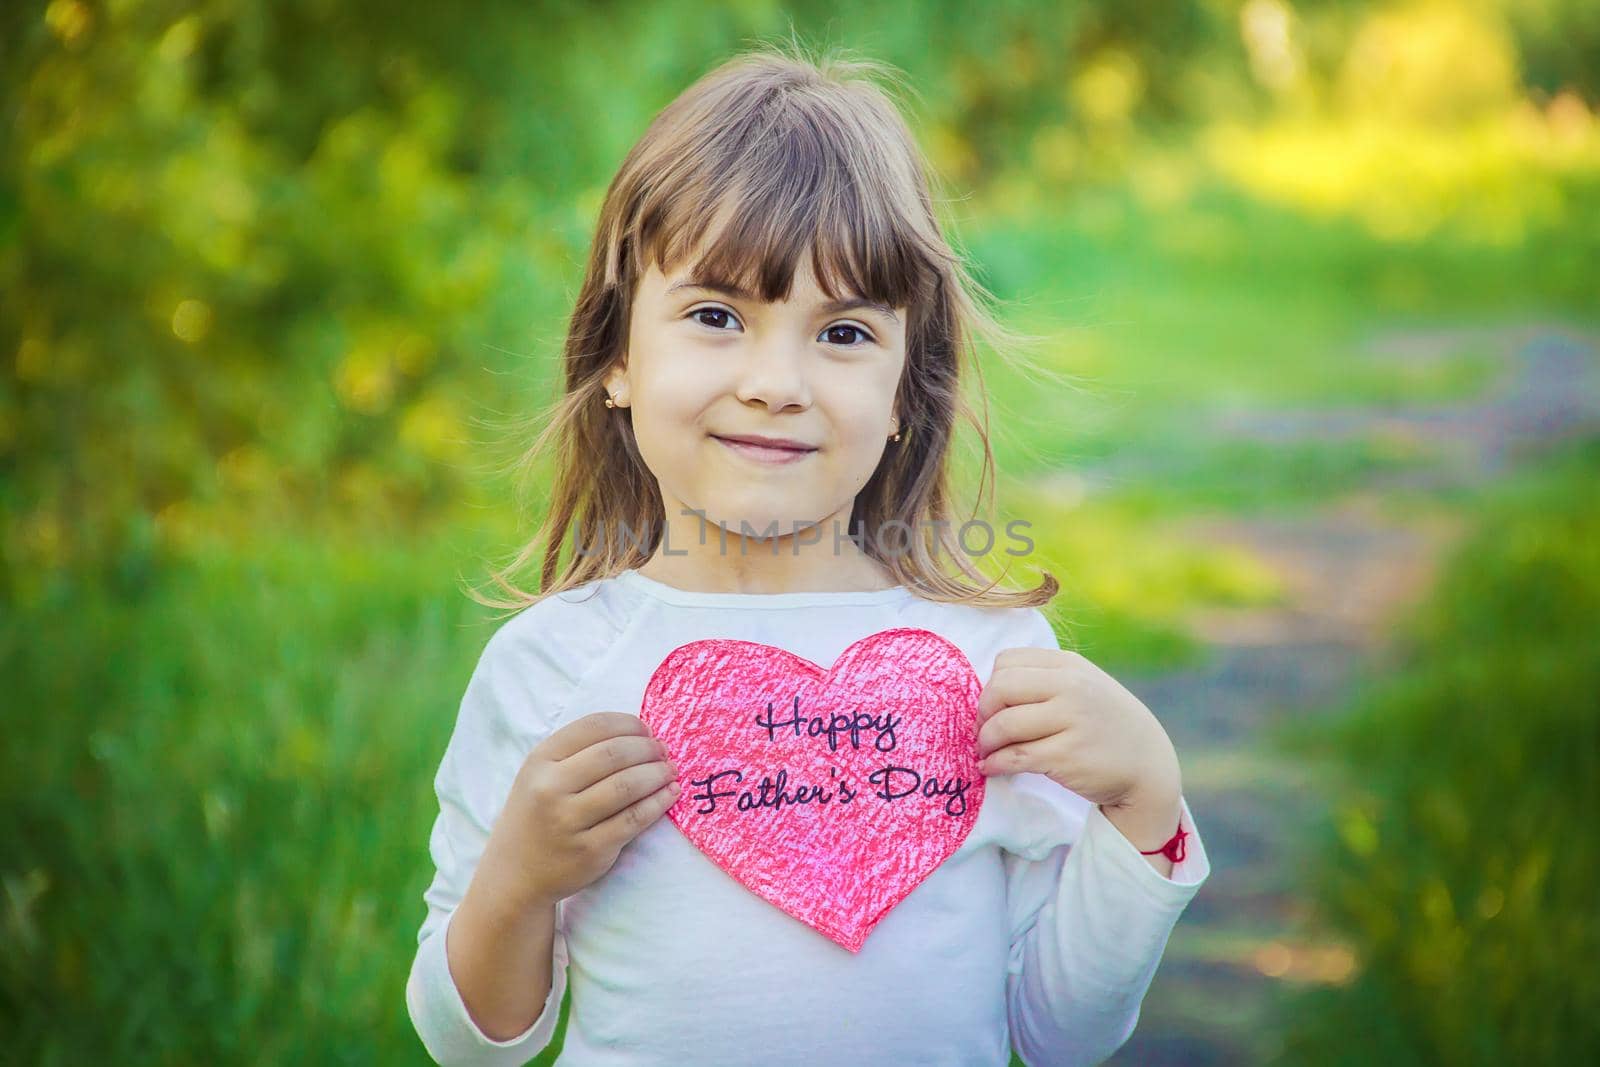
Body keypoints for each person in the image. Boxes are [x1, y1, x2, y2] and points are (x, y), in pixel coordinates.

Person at [405, 44, 1211, 1067]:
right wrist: (518, 877)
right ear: (617, 356)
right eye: (715, 317)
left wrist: (1144, 801)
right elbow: (468, 1045)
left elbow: (1060, 1034)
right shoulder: (553, 665)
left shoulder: (990, 663)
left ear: (903, 393)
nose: (776, 380)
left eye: (841, 334)